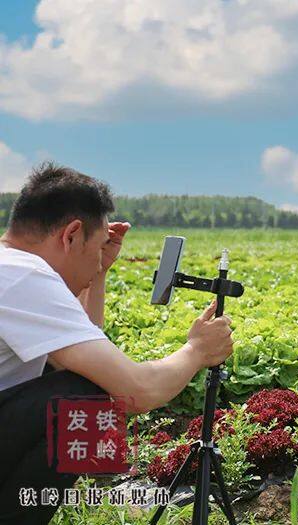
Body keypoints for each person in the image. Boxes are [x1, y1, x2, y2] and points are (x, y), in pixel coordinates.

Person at [0, 163, 234, 524]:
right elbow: (138, 392)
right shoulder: (26, 276)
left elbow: (80, 351)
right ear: (72, 235)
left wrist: (98, 273)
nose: (97, 261)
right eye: (96, 249)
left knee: (79, 384)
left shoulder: (11, 269)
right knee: (85, 400)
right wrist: (197, 351)